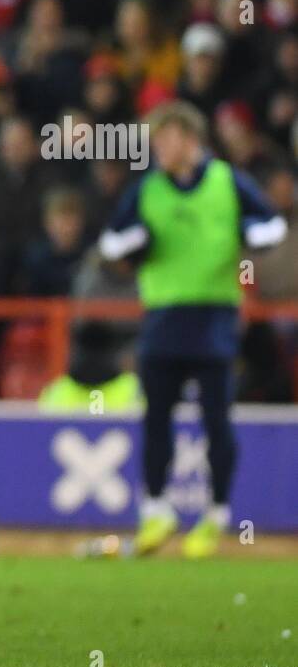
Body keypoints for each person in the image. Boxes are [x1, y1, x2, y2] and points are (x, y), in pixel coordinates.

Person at [99, 101, 287, 558]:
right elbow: (110, 241)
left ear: (191, 139)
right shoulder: (148, 190)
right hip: (162, 318)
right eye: (155, 141)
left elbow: (271, 224)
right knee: (156, 418)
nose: (159, 149)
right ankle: (157, 510)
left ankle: (217, 514)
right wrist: (133, 241)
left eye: (166, 139)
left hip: (214, 318)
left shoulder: (226, 181)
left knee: (216, 421)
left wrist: (254, 234)